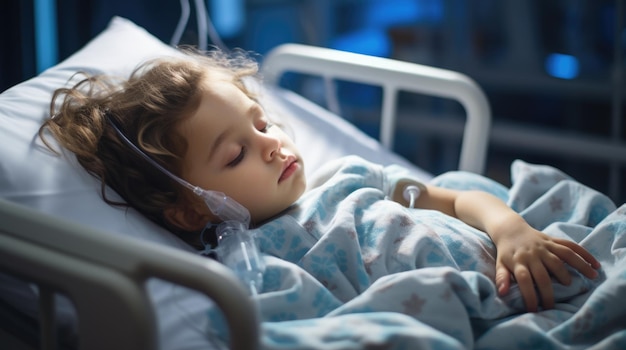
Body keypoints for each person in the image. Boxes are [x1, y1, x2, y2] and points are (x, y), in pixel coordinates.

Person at [39, 49, 600, 313]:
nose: (271, 143)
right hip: (488, 308)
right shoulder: (253, 271)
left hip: (523, 264)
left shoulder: (347, 177)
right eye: (237, 155)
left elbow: (455, 197)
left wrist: (511, 230)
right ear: (191, 209)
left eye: (260, 122)